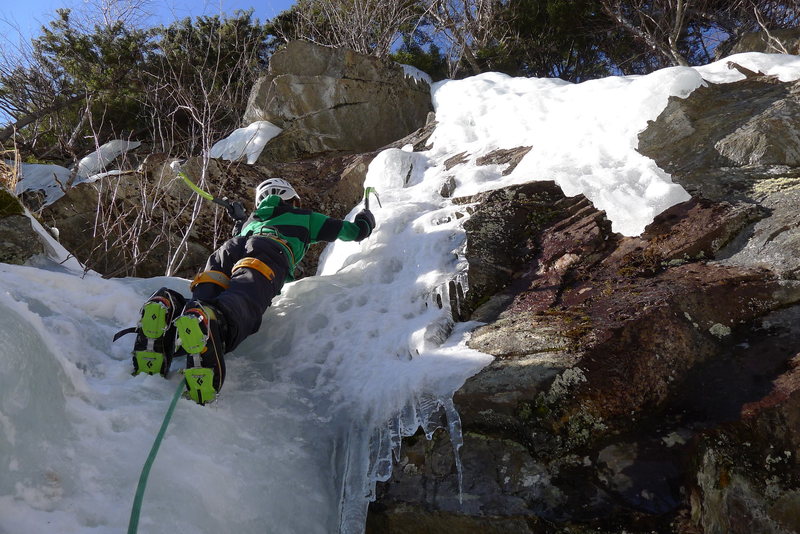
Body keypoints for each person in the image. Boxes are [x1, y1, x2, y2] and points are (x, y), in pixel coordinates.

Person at [127, 178, 376, 404]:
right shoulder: (305, 217)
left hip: (229, 248)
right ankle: (211, 324)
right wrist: (364, 222)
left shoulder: (252, 221)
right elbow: (350, 232)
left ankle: (169, 307)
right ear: (291, 198)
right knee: (245, 295)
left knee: (204, 298)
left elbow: (241, 241)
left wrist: (240, 223)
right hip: (270, 248)